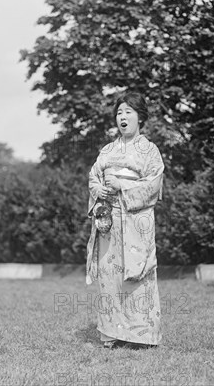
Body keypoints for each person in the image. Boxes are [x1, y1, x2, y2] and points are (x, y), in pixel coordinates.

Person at [86, 92, 164, 349]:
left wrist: (122, 186)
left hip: (135, 220)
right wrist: (99, 191)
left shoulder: (149, 150)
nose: (123, 117)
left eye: (129, 111)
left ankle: (141, 336)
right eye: (119, 112)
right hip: (109, 219)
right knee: (109, 275)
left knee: (137, 273)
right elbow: (93, 176)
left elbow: (153, 184)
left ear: (140, 116)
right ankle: (111, 334)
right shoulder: (107, 149)